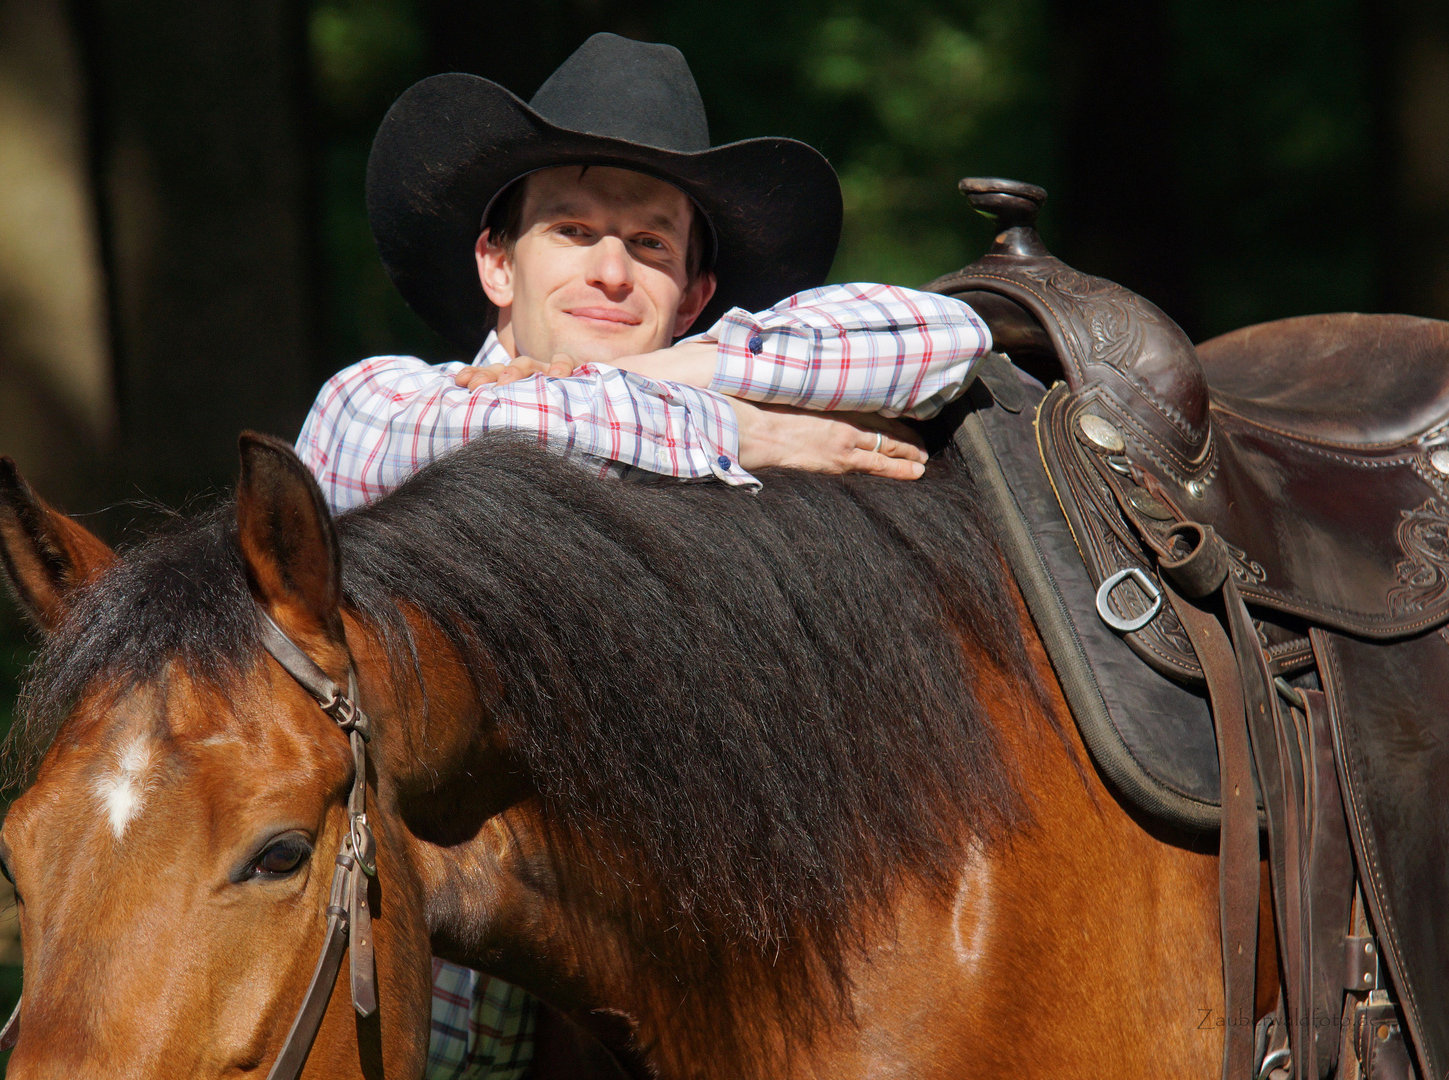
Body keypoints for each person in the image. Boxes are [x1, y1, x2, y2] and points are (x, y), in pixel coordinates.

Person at [295, 31, 992, 1080]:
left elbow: (948, 336)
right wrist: (729, 433)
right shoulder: (388, 403)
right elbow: (377, 439)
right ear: (497, 261)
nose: (612, 271)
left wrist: (693, 372)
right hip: (389, 1033)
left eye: (651, 245)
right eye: (573, 231)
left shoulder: (705, 359)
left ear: (696, 289)